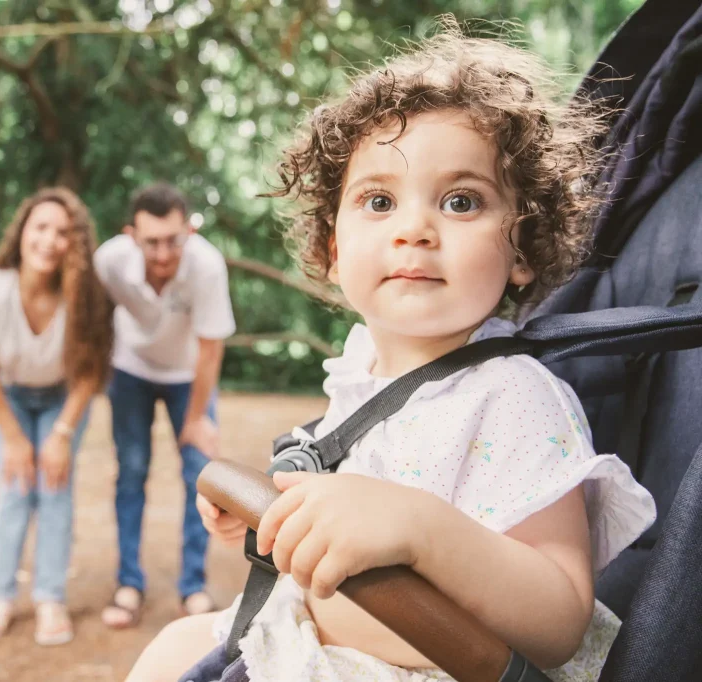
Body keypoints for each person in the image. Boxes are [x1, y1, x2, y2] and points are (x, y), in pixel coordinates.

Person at [125, 22, 657, 682]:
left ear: (522, 248)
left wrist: (423, 529)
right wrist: (281, 524)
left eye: (461, 201)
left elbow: (559, 620)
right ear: (332, 248)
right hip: (317, 644)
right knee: (171, 650)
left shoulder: (514, 396)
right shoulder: (362, 378)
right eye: (379, 201)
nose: (414, 229)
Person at [0, 187, 113, 646]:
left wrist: (62, 434)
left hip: (62, 397)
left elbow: (89, 373)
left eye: (63, 232)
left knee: (55, 487)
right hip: (4, 395)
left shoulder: (85, 297)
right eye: (40, 227)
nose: (49, 240)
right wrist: (13, 437)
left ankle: (50, 597)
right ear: (22, 232)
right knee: (16, 485)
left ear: (76, 243)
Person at [92, 182, 236, 628]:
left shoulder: (207, 266)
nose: (162, 253)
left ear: (188, 232)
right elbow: (91, 321)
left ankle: (193, 587)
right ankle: (128, 584)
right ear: (131, 235)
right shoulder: (108, 261)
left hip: (188, 376)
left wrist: (196, 418)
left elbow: (211, 348)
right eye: (151, 241)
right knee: (131, 472)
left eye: (172, 240)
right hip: (130, 369)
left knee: (200, 477)